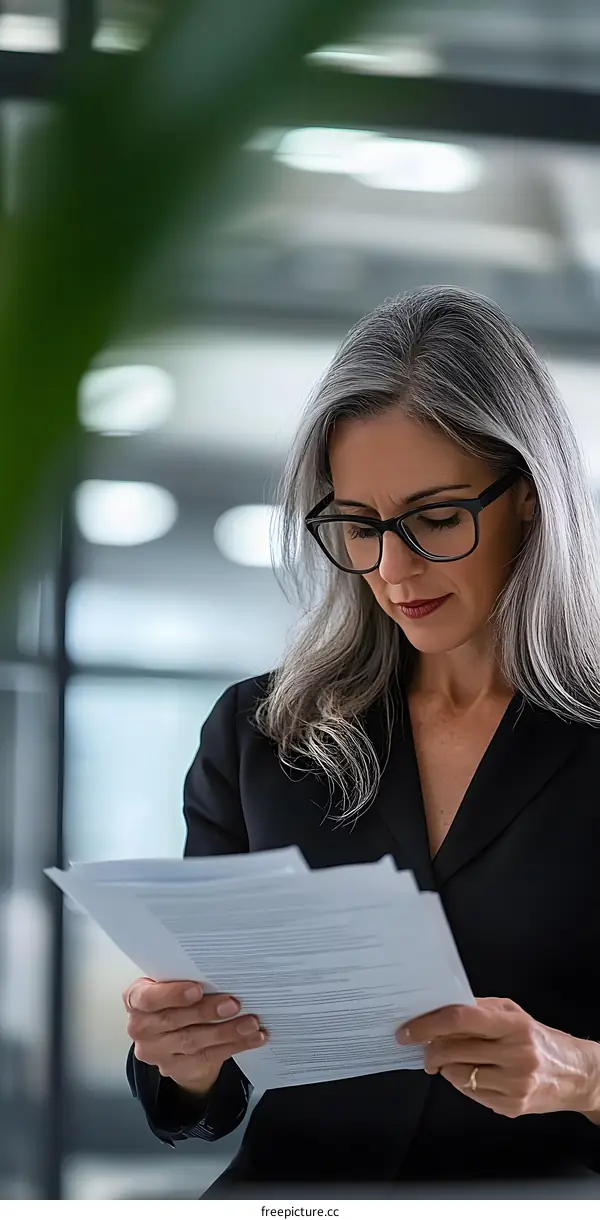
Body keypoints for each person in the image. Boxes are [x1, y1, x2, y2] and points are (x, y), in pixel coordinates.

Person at [124, 286, 600, 1196]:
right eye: (359, 525)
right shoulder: (262, 735)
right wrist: (182, 1054)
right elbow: (196, 1098)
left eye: (434, 517)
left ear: (532, 498)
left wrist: (582, 1074)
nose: (394, 568)